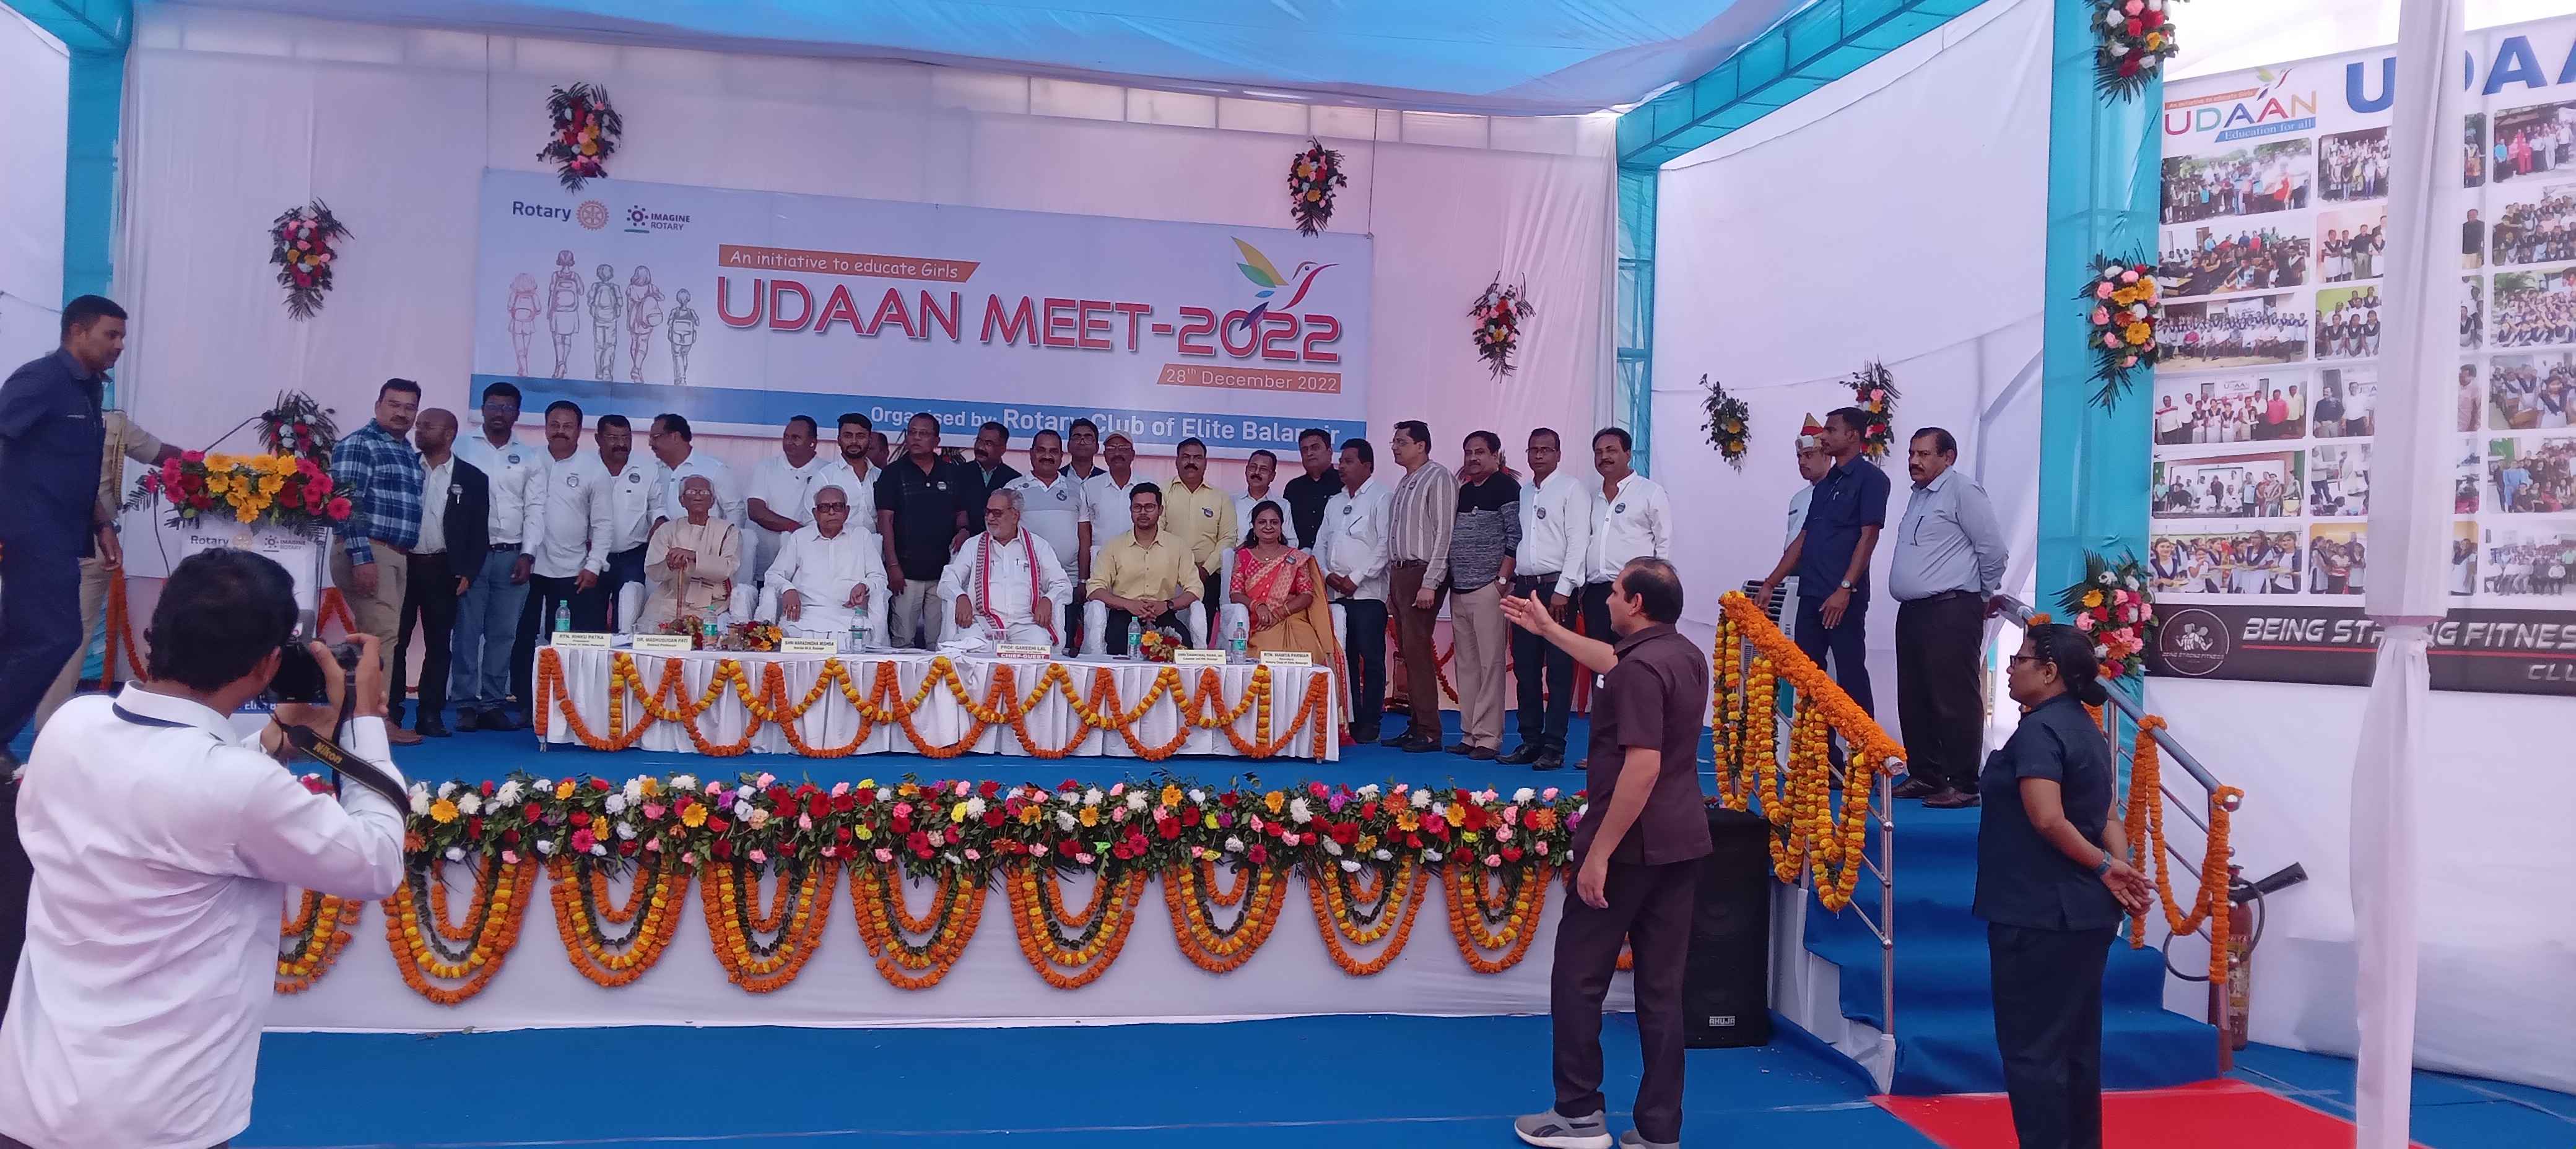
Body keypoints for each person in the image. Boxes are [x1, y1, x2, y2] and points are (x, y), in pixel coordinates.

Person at [0, 548, 406, 1149]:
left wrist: (276, 739)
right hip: (160, 1118)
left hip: (31, 1095)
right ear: (268, 664)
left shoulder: (70, 725)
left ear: (156, 630)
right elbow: (376, 861)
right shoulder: (235, 786)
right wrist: (363, 723)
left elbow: (166, 784)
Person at [1502, 558, 1708, 1149]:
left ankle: (1578, 1113)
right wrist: (1549, 630)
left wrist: (1599, 855)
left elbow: (1641, 768)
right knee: (1662, 991)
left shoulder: (1639, 671)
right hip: (1682, 842)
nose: (1609, 599)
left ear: (1636, 604)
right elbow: (1612, 661)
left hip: (1629, 847)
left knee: (1578, 976)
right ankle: (1660, 1129)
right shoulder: (1683, 655)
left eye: (1615, 592)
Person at [1976, 623, 2153, 1149]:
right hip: (2084, 916)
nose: (2011, 669)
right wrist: (2117, 868)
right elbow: (2108, 816)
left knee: (2032, 1054)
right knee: (2076, 1051)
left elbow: (2048, 818)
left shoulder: (2039, 732)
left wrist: (2106, 869)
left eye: (2021, 660)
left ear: (2050, 672)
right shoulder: (2087, 729)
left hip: (2037, 916)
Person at [0, 295, 122, 768]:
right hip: (29, 530)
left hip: (62, 533)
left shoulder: (88, 389)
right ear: (77, 331)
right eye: (111, 334)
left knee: (24, 639)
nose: (119, 345)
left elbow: (75, 470)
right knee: (56, 636)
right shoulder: (41, 379)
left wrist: (102, 523)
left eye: (122, 337)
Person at [1888, 428, 2009, 809]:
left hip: (1952, 608)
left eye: (1924, 454)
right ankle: (1926, 774)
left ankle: (1964, 783)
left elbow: (1993, 551)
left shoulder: (1963, 491)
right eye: (1912, 453)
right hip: (1915, 611)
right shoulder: (1919, 495)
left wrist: (1980, 595)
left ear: (1948, 457)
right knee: (1914, 696)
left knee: (1953, 697)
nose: (1914, 461)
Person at [37, 408, 178, 731]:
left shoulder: (25, 416)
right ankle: (48, 732)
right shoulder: (111, 423)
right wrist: (208, 467)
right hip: (88, 543)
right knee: (75, 637)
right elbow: (162, 454)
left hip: (29, 542)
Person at [1755, 408, 1888, 735]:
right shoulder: (1825, 485)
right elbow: (1804, 538)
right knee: (1809, 678)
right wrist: (1771, 583)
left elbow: (1868, 537)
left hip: (1842, 597)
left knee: (1850, 676)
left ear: (1852, 435)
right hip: (1810, 593)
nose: (1823, 436)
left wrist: (1845, 588)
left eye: (1830, 430)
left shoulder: (1871, 479)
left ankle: (1867, 753)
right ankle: (1822, 756)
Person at [328, 379, 427, 747]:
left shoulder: (404, 451)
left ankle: (359, 719)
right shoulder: (360, 444)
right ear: (377, 406)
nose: (401, 413)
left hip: (394, 554)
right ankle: (372, 724)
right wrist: (362, 557)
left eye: (409, 407)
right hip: (369, 550)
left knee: (381, 638)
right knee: (379, 640)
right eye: (394, 404)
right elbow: (346, 505)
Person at [450, 381, 544, 732]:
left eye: (507, 408)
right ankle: (465, 703)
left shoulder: (530, 457)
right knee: (467, 632)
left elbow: (535, 508)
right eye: (493, 406)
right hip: (472, 557)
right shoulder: (461, 447)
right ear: (482, 410)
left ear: (517, 414)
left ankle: (492, 703)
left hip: (512, 555)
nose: (499, 413)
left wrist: (528, 554)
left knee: (504, 634)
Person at [390, 409, 486, 740]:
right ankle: (391, 713)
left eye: (427, 427)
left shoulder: (473, 478)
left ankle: (430, 715)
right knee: (396, 641)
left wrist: (469, 572)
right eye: (418, 426)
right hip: (402, 564)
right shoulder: (403, 467)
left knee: (438, 645)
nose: (419, 431)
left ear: (449, 434)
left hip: (443, 568)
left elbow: (478, 533)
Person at [513, 401, 611, 706]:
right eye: (554, 425)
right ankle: (525, 701)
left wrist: (594, 565)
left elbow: (603, 523)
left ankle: (564, 704)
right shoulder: (528, 461)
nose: (560, 431)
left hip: (572, 570)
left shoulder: (594, 469)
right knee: (522, 636)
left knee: (564, 640)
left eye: (568, 426)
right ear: (545, 428)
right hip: (528, 566)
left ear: (579, 431)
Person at [1502, 428, 1588, 769]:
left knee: (1558, 669)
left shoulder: (1572, 489)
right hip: (1525, 588)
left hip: (1557, 589)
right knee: (1525, 667)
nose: (1539, 455)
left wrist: (1565, 590)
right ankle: (1530, 741)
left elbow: (1578, 542)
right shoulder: (1525, 492)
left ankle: (1554, 745)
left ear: (1558, 454)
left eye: (1546, 450)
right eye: (1533, 450)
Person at [1229, 499, 1348, 713]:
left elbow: (1307, 595)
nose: (1268, 526)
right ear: (1254, 527)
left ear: (1281, 526)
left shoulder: (1295, 557)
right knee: (1264, 658)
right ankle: (1266, 715)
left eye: (1274, 522)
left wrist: (1281, 612)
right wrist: (1258, 606)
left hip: (1293, 619)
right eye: (1262, 522)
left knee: (1310, 655)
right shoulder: (1243, 557)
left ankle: (1307, 716)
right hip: (1261, 622)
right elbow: (1235, 593)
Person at [1448, 431, 1523, 760]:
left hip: (1489, 589)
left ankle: (1489, 739)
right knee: (1466, 666)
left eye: (1480, 452)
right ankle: (1469, 733)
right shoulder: (1462, 491)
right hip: (1459, 589)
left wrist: (1502, 579)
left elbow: (1515, 536)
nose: (1473, 458)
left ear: (1495, 456)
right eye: (1468, 452)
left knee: (1490, 665)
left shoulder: (1507, 488)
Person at [1382, 420, 1455, 753]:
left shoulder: (1438, 477)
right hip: (1400, 572)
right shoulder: (1405, 481)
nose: (1395, 447)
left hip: (1421, 572)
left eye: (1402, 442)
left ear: (1421, 446)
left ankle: (1429, 731)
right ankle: (1415, 725)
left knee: (1418, 651)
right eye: (1394, 442)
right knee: (1408, 652)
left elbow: (1445, 533)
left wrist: (1431, 582)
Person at [1578, 427, 1672, 669]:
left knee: (1635, 661)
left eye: (1611, 450)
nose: (1604, 457)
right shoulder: (1590, 496)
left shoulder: (1650, 492)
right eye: (1598, 452)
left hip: (1634, 592)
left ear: (1628, 454)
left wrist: (1656, 587)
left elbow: (1663, 543)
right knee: (1600, 663)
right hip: (1596, 593)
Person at [1316, 439, 1391, 744]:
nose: (1341, 467)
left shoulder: (1382, 497)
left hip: (1367, 594)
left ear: (1367, 466)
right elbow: (1320, 544)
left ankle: (1371, 721)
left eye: (1348, 461)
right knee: (1343, 659)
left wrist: (1356, 578)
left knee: (1371, 660)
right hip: (1336, 595)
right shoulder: (1334, 502)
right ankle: (1349, 718)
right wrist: (1328, 575)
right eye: (1341, 461)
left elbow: (1385, 544)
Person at [876, 412, 970, 648]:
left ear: (937, 441)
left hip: (943, 573)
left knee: (940, 644)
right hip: (905, 574)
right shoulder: (893, 473)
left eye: (924, 434)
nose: (916, 438)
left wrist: (964, 530)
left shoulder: (952, 473)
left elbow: (961, 512)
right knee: (903, 642)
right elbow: (885, 521)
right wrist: (893, 566)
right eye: (912, 433)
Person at [942, 488, 1071, 648]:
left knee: (1040, 647)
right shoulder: (973, 546)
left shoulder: (1038, 546)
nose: (990, 518)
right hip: (983, 623)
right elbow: (948, 580)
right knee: (971, 645)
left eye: (997, 513)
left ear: (1015, 516)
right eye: (987, 512)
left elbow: (1062, 584)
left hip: (1026, 624)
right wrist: (960, 596)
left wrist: (1048, 599)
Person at [1088, 483, 1200, 654]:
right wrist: (1129, 604)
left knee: (1183, 653)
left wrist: (1167, 605)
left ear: (1160, 510)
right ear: (1131, 510)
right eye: (1137, 507)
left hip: (1163, 613)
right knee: (1118, 655)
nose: (1143, 512)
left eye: (1149, 507)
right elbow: (1094, 589)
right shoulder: (1114, 546)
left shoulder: (1178, 546)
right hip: (1124, 615)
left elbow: (1195, 589)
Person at [767, 484, 886, 642]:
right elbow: (773, 575)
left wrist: (865, 586)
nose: (831, 512)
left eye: (838, 506)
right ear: (815, 513)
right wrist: (787, 589)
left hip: (849, 617)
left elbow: (880, 578)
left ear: (847, 511)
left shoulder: (861, 536)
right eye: (824, 508)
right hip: (804, 617)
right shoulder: (799, 538)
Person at [1007, 428, 1090, 648]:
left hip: (1067, 580)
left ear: (1062, 456)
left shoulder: (1077, 489)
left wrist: (1082, 580)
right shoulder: (1013, 489)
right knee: (1029, 644)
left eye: (1053, 451)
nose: (1047, 456)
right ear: (1031, 453)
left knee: (1065, 642)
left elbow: (1084, 537)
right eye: (1041, 450)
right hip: (1025, 582)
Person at [637, 475, 741, 631]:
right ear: (682, 501)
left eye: (704, 493)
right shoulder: (667, 530)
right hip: (669, 600)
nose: (698, 496)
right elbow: (653, 571)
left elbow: (727, 568)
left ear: (712, 501)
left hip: (711, 604)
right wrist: (670, 564)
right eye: (692, 492)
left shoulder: (729, 531)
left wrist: (694, 557)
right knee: (650, 634)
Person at [594, 414, 659, 631]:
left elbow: (657, 507)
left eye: (626, 438)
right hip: (591, 556)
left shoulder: (647, 469)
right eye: (613, 438)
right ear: (598, 439)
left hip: (633, 557)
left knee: (627, 620)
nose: (621, 444)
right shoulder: (585, 467)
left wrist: (659, 523)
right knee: (589, 619)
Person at [745, 415, 827, 585]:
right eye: (786, 437)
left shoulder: (827, 471)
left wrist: (801, 535)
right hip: (767, 563)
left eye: (796, 438)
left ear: (813, 443)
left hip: (811, 565)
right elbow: (755, 511)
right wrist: (794, 527)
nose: (789, 442)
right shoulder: (766, 467)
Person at [1163, 437, 1236, 612]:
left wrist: (1206, 569)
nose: (1191, 462)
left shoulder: (1221, 497)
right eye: (1186, 457)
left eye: (1197, 458)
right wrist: (1178, 566)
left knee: (1204, 625)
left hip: (1208, 576)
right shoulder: (1162, 492)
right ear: (1177, 462)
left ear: (1205, 463)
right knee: (1169, 625)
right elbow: (1156, 531)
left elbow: (1228, 538)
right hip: (1168, 573)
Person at [648, 414, 738, 533]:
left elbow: (735, 510)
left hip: (705, 542)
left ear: (675, 437)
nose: (650, 444)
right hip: (660, 542)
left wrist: (727, 539)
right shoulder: (652, 471)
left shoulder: (715, 469)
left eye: (655, 437)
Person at [805, 412, 879, 542]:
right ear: (839, 440)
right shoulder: (824, 477)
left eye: (860, 436)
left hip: (874, 549)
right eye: (848, 436)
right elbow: (810, 521)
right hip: (836, 550)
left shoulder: (880, 476)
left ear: (870, 440)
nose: (854, 441)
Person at [1082, 430, 1142, 561]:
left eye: (1123, 448)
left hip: (1138, 562)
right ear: (1104, 455)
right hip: (1101, 562)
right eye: (1111, 449)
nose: (1117, 453)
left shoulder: (1148, 485)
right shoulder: (1090, 487)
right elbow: (1085, 534)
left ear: (1133, 455)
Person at [961, 420, 1022, 537]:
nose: (980, 447)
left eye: (988, 444)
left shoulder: (1013, 479)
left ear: (1003, 449)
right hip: (966, 541)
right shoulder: (959, 473)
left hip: (1000, 542)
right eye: (979, 441)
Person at [1283, 427, 1341, 548]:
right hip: (1299, 557)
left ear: (1330, 452)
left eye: (1315, 448)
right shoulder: (1293, 488)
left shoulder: (1344, 484)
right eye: (1304, 450)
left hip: (1336, 556)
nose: (1309, 453)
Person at [1235, 449, 1281, 537]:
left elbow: (1291, 541)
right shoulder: (1231, 502)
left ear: (1272, 476)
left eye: (1263, 469)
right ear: (1246, 471)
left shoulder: (1283, 506)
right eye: (1253, 467)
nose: (1257, 472)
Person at [1065, 417, 1103, 484]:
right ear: (1068, 446)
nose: (1082, 442)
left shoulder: (1106, 479)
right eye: (1077, 438)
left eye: (1088, 438)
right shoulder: (1055, 477)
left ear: (1097, 447)